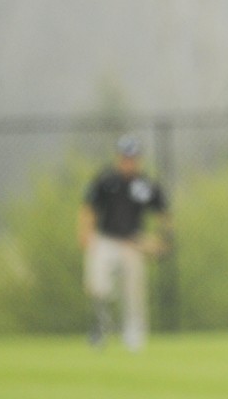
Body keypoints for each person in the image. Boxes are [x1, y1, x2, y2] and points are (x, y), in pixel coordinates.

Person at [77, 134, 172, 351]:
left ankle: (134, 337)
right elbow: (89, 207)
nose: (129, 162)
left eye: (133, 157)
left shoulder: (145, 185)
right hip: (106, 239)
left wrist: (162, 241)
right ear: (119, 157)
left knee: (133, 293)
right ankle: (100, 329)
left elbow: (163, 212)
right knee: (98, 287)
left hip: (132, 242)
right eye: (125, 157)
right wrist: (85, 234)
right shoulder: (106, 180)